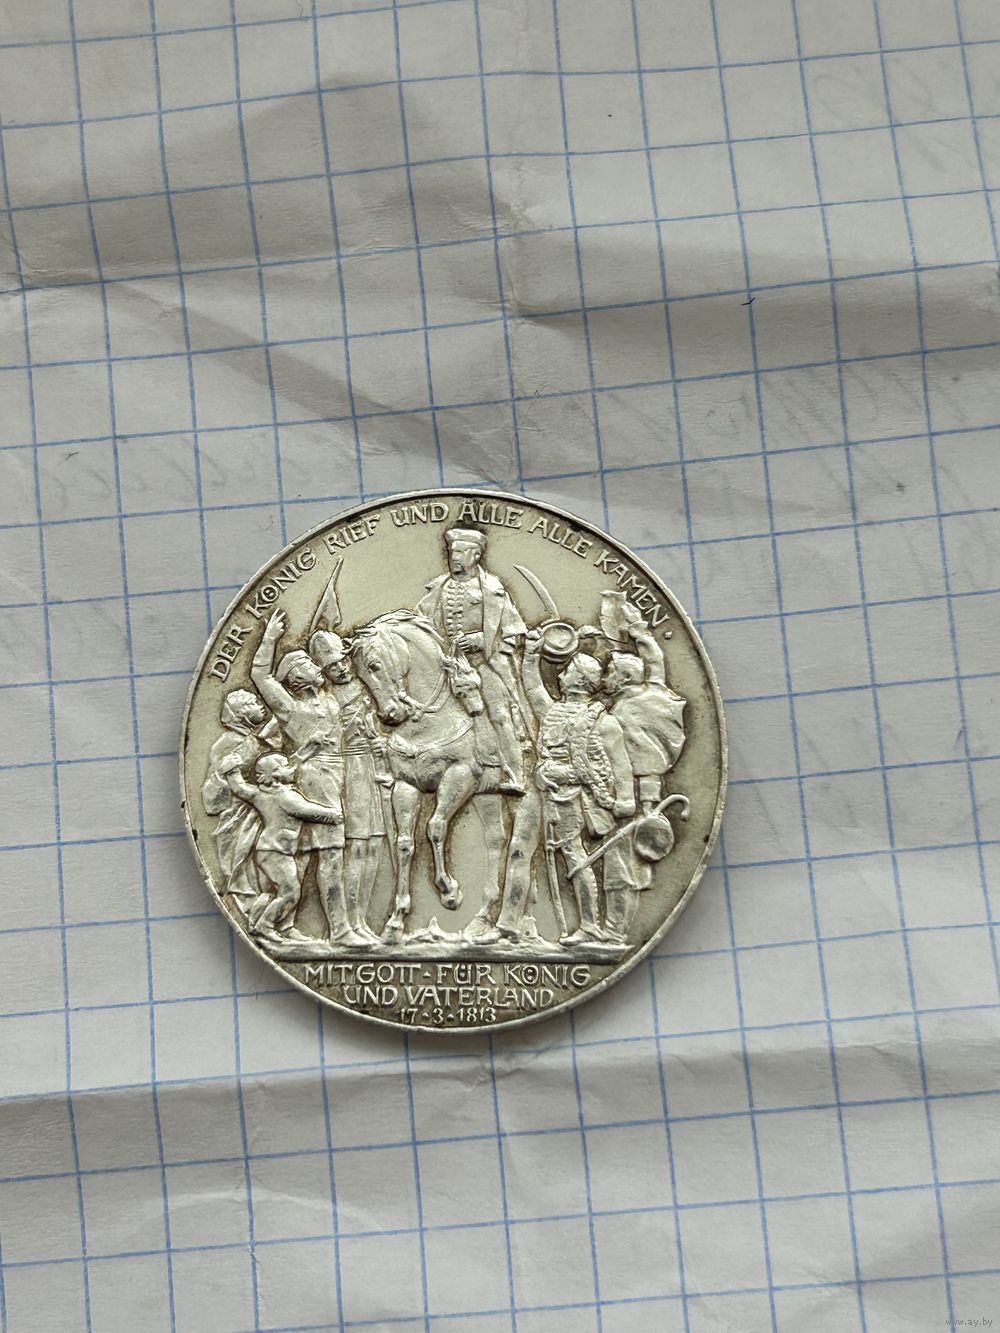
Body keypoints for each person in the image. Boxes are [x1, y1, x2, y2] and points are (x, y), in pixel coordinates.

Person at [490, 632, 635, 946]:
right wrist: (531, 652)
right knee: (519, 850)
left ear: (578, 680)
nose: (560, 674)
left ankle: (590, 927)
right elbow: (531, 686)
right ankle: (507, 924)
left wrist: (625, 799)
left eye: (567, 670)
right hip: (540, 792)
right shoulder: (552, 710)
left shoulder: (604, 723)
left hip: (572, 796)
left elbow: (620, 766)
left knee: (574, 856)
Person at [250, 611, 367, 947]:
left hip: (333, 776)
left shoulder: (329, 699)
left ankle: (285, 924)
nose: (317, 667)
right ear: (297, 678)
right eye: (308, 664)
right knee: (330, 853)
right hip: (313, 780)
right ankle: (340, 930)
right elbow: (260, 675)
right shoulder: (290, 709)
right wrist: (269, 639)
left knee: (303, 854)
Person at [417, 527, 529, 793]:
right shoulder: (438, 588)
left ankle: (516, 775)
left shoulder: (493, 590)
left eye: (461, 552)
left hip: (485, 664)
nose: (454, 557)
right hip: (447, 665)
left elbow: (513, 632)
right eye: (451, 552)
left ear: (476, 555)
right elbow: (421, 626)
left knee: (499, 717)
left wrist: (483, 640)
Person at [600, 618, 687, 942]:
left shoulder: (626, 712)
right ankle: (614, 926)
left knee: (620, 863)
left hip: (632, 795)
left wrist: (644, 804)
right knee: (622, 861)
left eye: (609, 672)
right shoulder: (657, 693)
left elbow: (639, 762)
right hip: (639, 794)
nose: (604, 678)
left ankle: (615, 930)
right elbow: (655, 661)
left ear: (624, 678)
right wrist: (639, 633)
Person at [309, 628, 393, 944]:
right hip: (349, 771)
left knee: (375, 845)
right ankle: (348, 922)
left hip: (374, 766)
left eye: (342, 661)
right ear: (323, 672)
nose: (341, 668)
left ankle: (361, 920)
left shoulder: (367, 682)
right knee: (356, 847)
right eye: (332, 667)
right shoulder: (326, 700)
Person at [220, 752, 342, 944]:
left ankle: (280, 927)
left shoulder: (259, 794)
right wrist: (332, 815)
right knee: (290, 892)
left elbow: (239, 788)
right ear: (273, 774)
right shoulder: (286, 797)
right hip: (275, 852)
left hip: (269, 851)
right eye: (286, 766)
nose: (291, 768)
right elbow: (306, 811)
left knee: (272, 892)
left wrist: (231, 770)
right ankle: (265, 926)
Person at [201, 689, 274, 913]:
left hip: (258, 810)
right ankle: (249, 906)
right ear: (241, 713)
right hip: (239, 812)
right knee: (243, 859)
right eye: (253, 703)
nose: (260, 705)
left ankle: (265, 907)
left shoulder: (252, 740)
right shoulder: (228, 742)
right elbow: (216, 781)